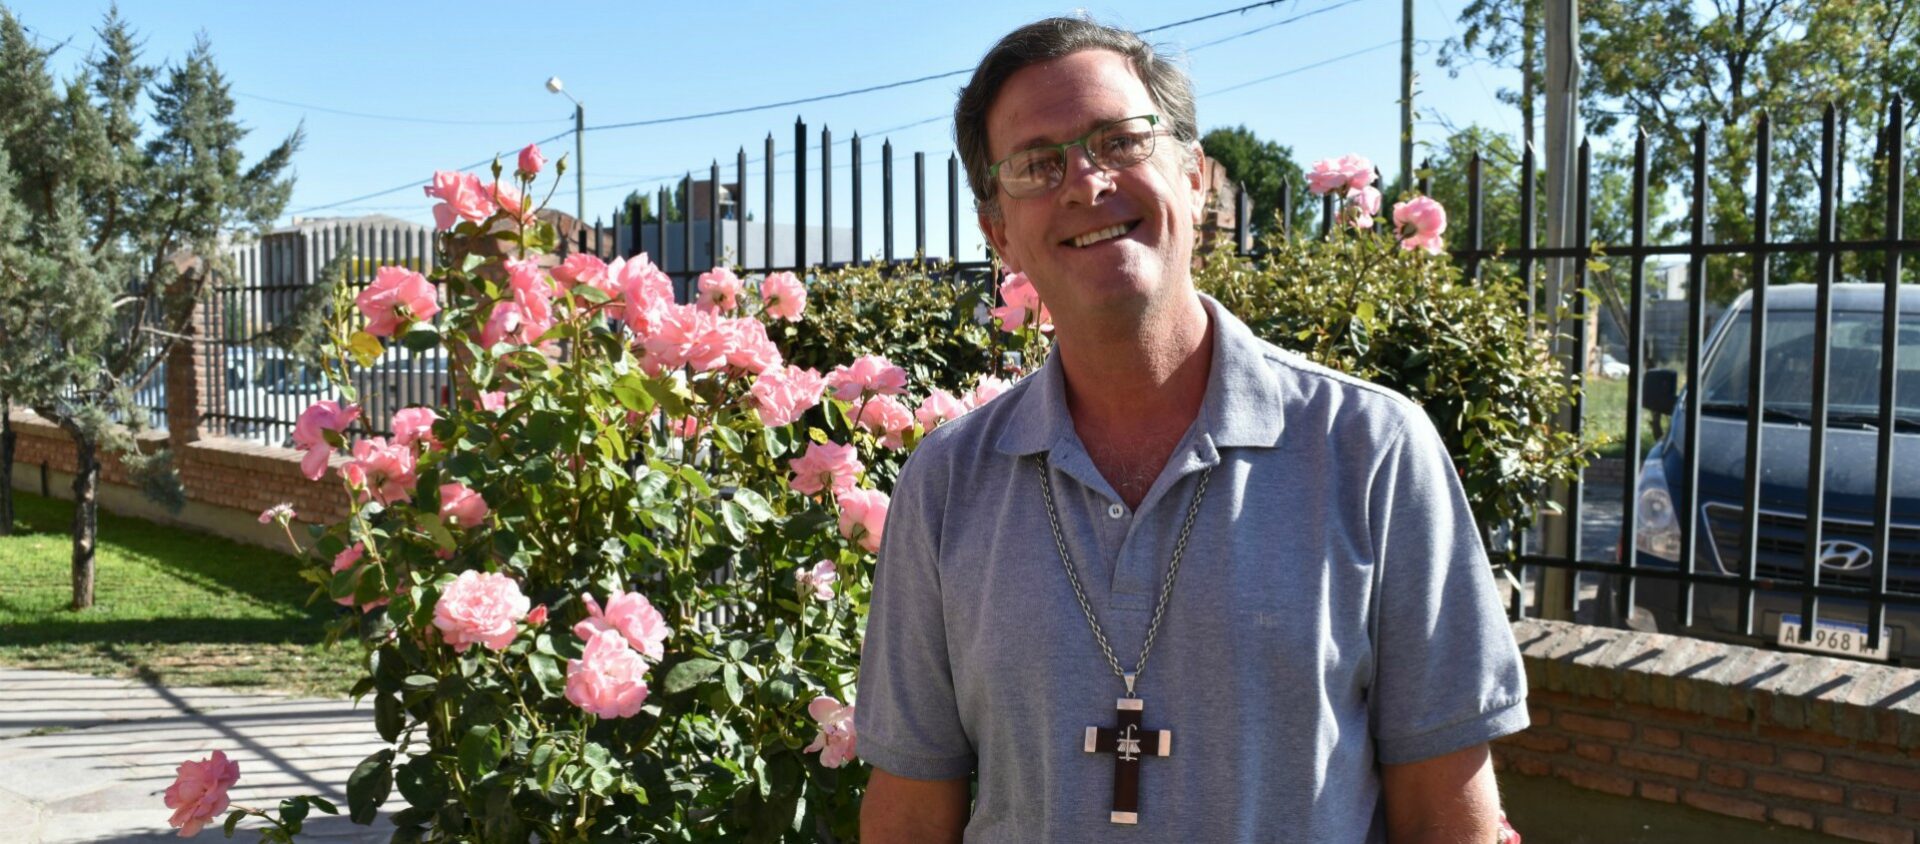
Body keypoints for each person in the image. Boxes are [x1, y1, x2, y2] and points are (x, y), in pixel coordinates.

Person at [855, 16, 1528, 843]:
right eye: (1038, 163)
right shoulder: (947, 483)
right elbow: (911, 813)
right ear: (998, 230)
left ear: (1195, 174)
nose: (1086, 182)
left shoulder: (1372, 451)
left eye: (1120, 140)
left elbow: (1446, 814)